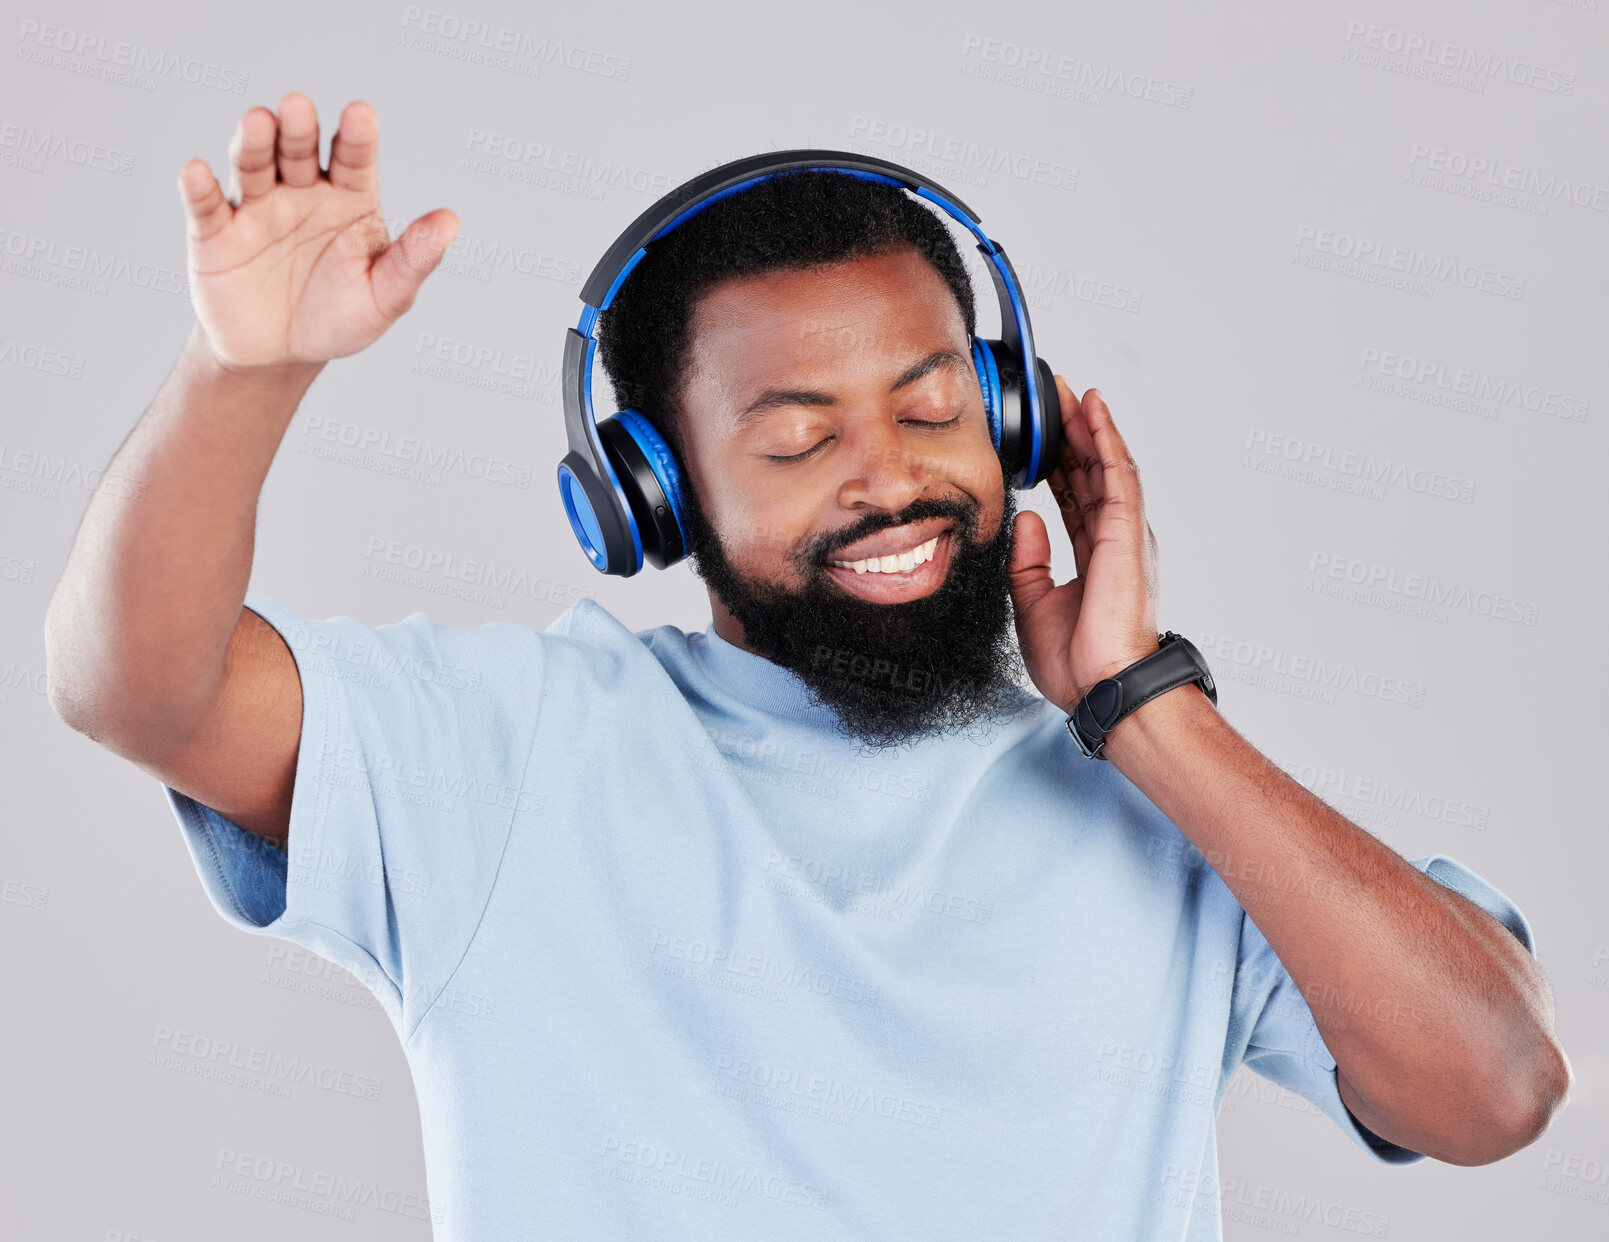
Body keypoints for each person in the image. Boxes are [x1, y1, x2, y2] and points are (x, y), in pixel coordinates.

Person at [44, 92, 1571, 1241]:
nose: (886, 477)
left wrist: (1140, 703)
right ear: (654, 497)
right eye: (794, 440)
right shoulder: (505, 754)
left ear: (1014, 422)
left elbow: (1493, 1088)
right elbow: (138, 686)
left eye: (928, 410)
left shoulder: (1171, 800)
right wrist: (242, 374)